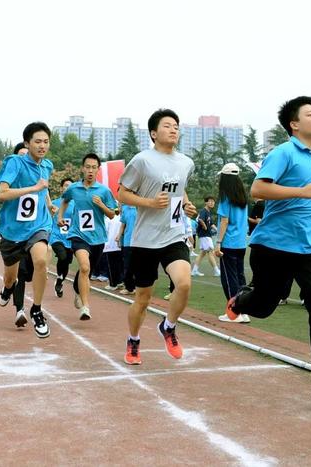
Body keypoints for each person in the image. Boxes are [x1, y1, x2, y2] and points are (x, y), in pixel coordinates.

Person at [226, 96, 311, 403]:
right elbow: (258, 189)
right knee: (264, 305)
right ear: (294, 124)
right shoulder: (283, 153)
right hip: (275, 244)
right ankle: (241, 300)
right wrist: (303, 191)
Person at [118, 108, 197, 365]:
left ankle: (169, 326)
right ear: (153, 133)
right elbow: (123, 194)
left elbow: (180, 190)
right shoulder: (142, 160)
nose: (173, 129)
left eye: (176, 125)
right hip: (145, 239)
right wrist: (150, 203)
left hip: (174, 234)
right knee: (143, 298)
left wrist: (186, 204)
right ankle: (133, 340)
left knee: (183, 283)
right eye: (167, 125)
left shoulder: (186, 163)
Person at [0, 122, 53, 338]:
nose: (42, 145)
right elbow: (2, 194)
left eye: (46, 142)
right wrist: (33, 188)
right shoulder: (15, 163)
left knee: (40, 261)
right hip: (12, 231)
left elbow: (43, 190)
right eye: (38, 141)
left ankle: (37, 310)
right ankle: (8, 288)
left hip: (38, 225)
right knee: (10, 278)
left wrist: (48, 204)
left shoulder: (47, 166)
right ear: (27, 143)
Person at [58, 153, 117, 320]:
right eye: (88, 167)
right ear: (82, 169)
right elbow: (64, 201)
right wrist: (60, 217)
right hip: (78, 235)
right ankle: (85, 307)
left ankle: (78, 291)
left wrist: (101, 205)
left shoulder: (104, 191)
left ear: (98, 170)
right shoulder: (74, 188)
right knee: (84, 267)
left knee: (87, 270)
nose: (90, 170)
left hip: (98, 237)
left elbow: (112, 214)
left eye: (94, 167)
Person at [213, 163, 250, 323]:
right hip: (241, 242)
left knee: (229, 279)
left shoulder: (225, 197)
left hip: (229, 242)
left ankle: (234, 312)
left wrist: (218, 242)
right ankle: (243, 311)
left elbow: (224, 221)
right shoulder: (243, 197)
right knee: (240, 277)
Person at [50, 177, 75, 297]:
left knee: (66, 262)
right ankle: (59, 278)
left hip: (70, 238)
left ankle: (60, 280)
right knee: (62, 256)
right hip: (56, 236)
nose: (68, 187)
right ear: (61, 188)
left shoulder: (76, 204)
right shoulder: (54, 203)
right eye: (65, 185)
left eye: (70, 186)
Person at [191, 196, 220, 277]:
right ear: (206, 202)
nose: (212, 203)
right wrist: (204, 226)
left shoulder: (208, 212)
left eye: (213, 201)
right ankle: (216, 271)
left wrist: (217, 230)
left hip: (206, 235)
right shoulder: (204, 211)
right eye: (210, 201)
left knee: (202, 253)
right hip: (204, 235)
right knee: (210, 251)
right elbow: (200, 219)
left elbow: (211, 224)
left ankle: (194, 270)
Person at [118, 203, 137, 296]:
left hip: (140, 241)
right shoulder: (125, 208)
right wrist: (118, 236)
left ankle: (138, 286)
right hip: (127, 241)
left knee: (139, 265)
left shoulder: (140, 207)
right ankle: (129, 287)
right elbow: (123, 224)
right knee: (127, 265)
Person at [103, 207, 124, 291]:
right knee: (119, 265)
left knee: (111, 266)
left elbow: (105, 231)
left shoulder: (107, 219)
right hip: (119, 244)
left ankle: (113, 284)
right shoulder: (121, 218)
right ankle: (119, 281)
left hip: (110, 245)